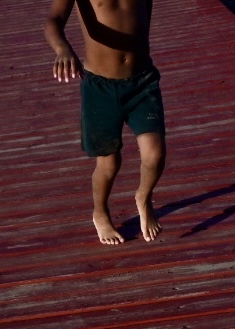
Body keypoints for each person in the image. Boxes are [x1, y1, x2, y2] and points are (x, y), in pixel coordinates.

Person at [44, 0, 166, 244]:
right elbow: (53, 20)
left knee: (155, 154)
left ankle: (143, 196)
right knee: (109, 163)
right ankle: (100, 211)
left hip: (142, 80)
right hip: (100, 86)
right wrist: (62, 49)